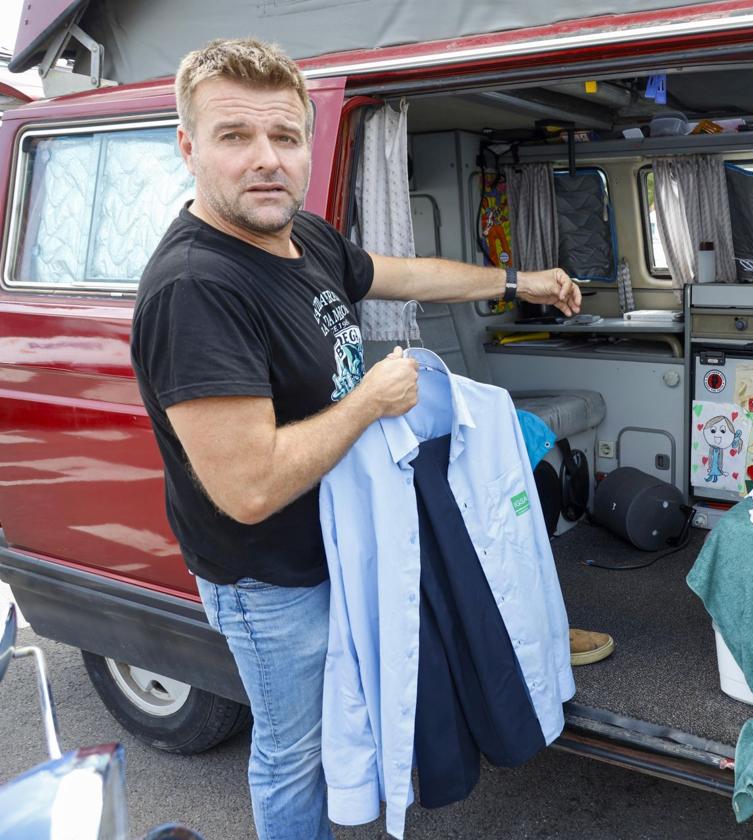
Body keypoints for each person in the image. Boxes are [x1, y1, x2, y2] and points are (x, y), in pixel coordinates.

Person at [130, 38, 611, 840]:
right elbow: (248, 488)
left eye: (284, 137)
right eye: (234, 136)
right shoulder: (196, 289)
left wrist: (516, 280)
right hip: (273, 581)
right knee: (296, 752)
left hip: (341, 543)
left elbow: (405, 274)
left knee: (352, 723)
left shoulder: (301, 237)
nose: (265, 160)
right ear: (187, 147)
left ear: (309, 145)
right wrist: (368, 400)